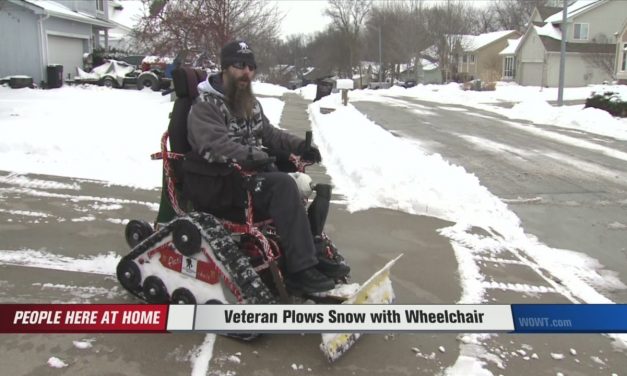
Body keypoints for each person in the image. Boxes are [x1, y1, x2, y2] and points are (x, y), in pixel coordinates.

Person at [184, 40, 349, 293]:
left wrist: (300, 146)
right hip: (219, 182)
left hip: (248, 176)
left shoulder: (249, 102)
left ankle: (311, 254)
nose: (246, 72)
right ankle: (300, 270)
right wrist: (251, 155)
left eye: (251, 67)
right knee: (283, 185)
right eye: (240, 65)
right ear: (225, 67)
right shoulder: (206, 105)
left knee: (310, 186)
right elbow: (214, 145)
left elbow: (270, 134)